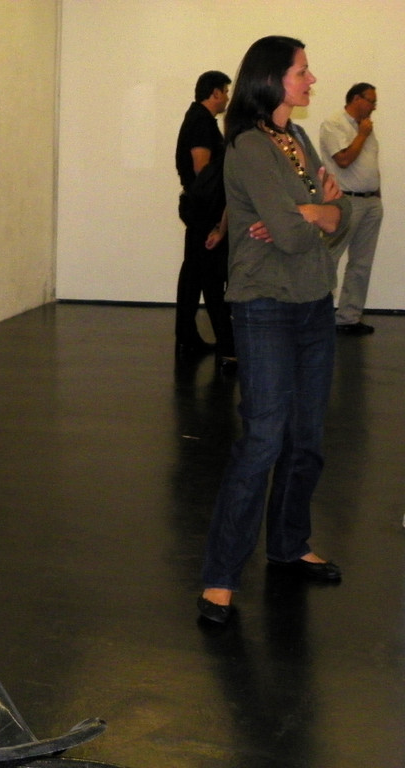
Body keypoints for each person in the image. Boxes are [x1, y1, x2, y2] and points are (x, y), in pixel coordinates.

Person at [197, 36, 351, 625]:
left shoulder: (299, 140)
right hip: (265, 306)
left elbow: (342, 218)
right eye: (302, 71)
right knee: (263, 439)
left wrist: (315, 213)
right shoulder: (248, 146)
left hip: (313, 302)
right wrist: (315, 213)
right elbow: (288, 235)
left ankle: (289, 544)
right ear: (271, 79)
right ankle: (220, 576)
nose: (312, 80)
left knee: (306, 437)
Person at [175, 70, 236, 370]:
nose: (227, 97)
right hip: (205, 210)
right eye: (225, 91)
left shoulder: (199, 119)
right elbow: (202, 169)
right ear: (215, 93)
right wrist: (217, 216)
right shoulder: (201, 122)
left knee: (194, 274)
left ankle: (187, 336)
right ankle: (226, 343)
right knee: (210, 276)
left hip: (200, 207)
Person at [319, 82, 382, 335]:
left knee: (361, 263)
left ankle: (349, 317)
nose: (374, 107)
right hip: (346, 201)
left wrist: (377, 194)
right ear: (356, 99)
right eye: (371, 101)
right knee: (330, 258)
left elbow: (369, 164)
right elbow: (343, 160)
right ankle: (318, 316)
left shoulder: (365, 127)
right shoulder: (334, 124)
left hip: (371, 202)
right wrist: (362, 135)